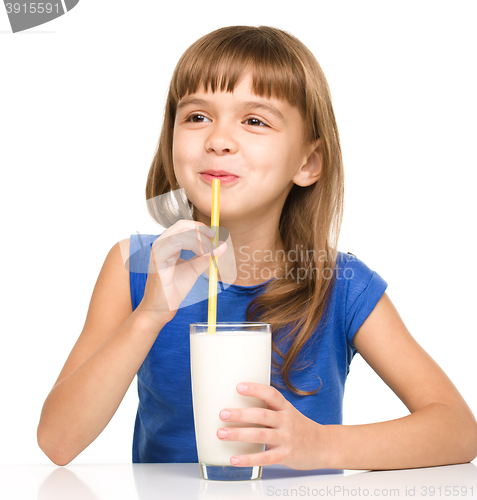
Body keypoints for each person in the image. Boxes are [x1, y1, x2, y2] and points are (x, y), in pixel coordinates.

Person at [37, 25, 477, 470]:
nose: (218, 140)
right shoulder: (134, 267)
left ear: (307, 162)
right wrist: (149, 316)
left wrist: (321, 446)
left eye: (254, 121)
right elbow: (58, 441)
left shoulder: (340, 286)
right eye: (196, 117)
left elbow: (457, 431)